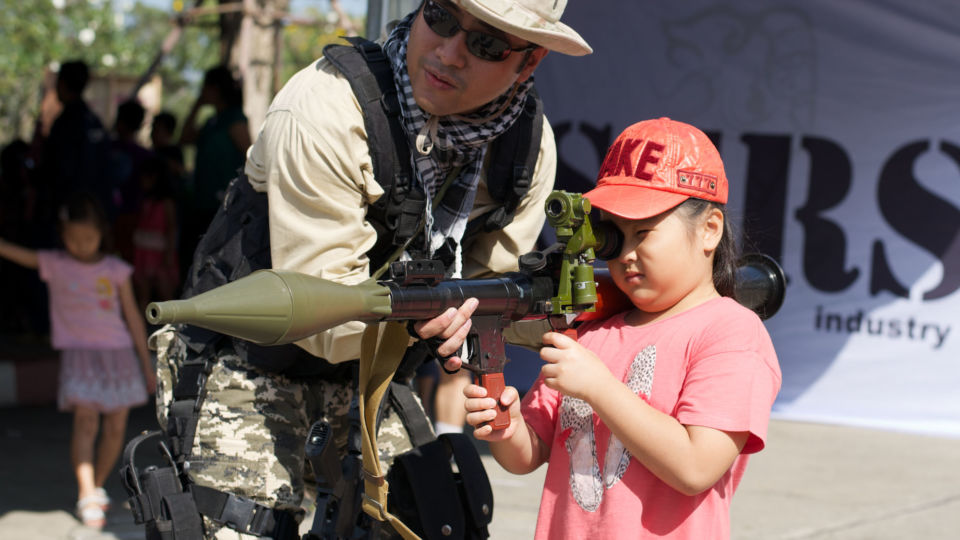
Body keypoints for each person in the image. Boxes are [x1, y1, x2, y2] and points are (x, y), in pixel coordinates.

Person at [151, 1, 591, 538]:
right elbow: (323, 317)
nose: (450, 52)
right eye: (442, 16)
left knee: (426, 518)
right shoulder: (326, 107)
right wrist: (429, 318)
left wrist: (491, 319)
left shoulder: (526, 146)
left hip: (378, 370)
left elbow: (491, 289)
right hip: (250, 361)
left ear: (529, 62)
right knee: (237, 525)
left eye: (487, 44)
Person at [463, 118, 782, 539]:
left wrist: (599, 387)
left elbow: (696, 466)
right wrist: (504, 424)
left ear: (709, 230)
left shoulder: (731, 331)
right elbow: (530, 453)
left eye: (644, 233)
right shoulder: (592, 328)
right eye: (614, 237)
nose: (625, 254)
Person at [0, 192, 156, 530]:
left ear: (102, 232)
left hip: (119, 358)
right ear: (62, 235)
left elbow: (133, 318)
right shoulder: (56, 263)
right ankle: (87, 492)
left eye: (88, 238)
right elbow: (21, 255)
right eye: (73, 238)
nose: (81, 245)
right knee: (86, 423)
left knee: (115, 427)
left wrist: (147, 365)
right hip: (80, 357)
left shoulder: (116, 270)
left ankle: (96, 485)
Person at [178, 65, 250, 264]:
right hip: (201, 200)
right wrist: (196, 106)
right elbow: (184, 139)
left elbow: (250, 157)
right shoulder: (212, 121)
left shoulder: (235, 120)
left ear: (216, 89)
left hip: (223, 205)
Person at [132, 156, 180, 312]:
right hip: (143, 250)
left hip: (160, 252)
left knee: (166, 293)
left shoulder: (166, 202)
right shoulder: (145, 200)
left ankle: (173, 325)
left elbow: (172, 227)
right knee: (143, 293)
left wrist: (168, 254)